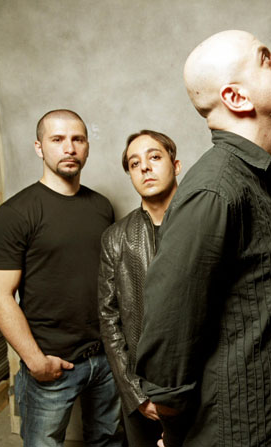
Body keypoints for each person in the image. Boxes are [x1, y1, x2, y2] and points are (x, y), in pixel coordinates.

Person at [135, 30, 271, 447]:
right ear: (236, 98)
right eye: (266, 59)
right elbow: (166, 339)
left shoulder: (251, 178)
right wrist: (178, 429)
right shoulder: (215, 191)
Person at [0, 109, 122, 446]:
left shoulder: (101, 206)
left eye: (77, 139)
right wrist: (35, 361)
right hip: (51, 363)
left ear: (87, 147)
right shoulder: (15, 213)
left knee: (108, 440)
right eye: (57, 139)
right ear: (39, 147)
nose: (69, 148)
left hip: (105, 357)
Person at [98, 130, 181, 447]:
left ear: (176, 165)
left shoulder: (204, 222)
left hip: (200, 390)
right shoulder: (115, 238)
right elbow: (109, 320)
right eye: (134, 163)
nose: (144, 167)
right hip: (142, 393)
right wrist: (136, 394)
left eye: (154, 157)